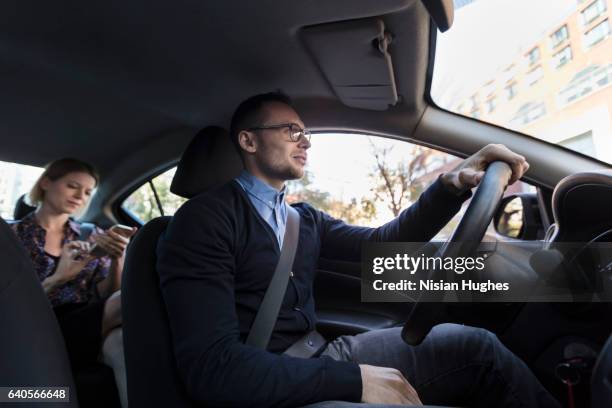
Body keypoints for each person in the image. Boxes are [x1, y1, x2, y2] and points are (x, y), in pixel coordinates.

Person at [156, 92, 561, 407]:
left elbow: (380, 243)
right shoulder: (203, 221)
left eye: (306, 133)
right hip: (268, 387)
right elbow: (214, 370)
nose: (305, 142)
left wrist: (450, 185)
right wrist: (357, 381)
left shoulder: (302, 218)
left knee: (477, 346)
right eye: (291, 131)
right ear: (248, 140)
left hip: (320, 356)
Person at [10, 158, 135, 408]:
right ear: (46, 182)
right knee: (125, 308)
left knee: (119, 340)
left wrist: (117, 257)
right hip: (31, 327)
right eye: (72, 186)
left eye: (88, 192)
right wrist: (59, 278)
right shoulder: (12, 237)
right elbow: (9, 307)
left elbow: (107, 295)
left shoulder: (91, 235)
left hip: (83, 323)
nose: (80, 196)